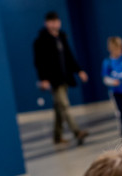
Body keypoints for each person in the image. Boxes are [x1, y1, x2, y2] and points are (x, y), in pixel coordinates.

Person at [33, 11, 90, 146]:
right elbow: (39, 62)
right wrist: (44, 79)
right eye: (51, 21)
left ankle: (57, 137)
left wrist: (79, 70)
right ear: (47, 23)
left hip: (65, 78)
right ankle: (77, 132)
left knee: (59, 108)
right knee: (64, 105)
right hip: (53, 81)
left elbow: (69, 57)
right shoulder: (40, 41)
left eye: (56, 21)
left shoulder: (62, 37)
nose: (54, 24)